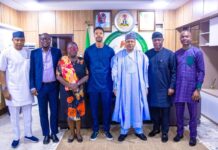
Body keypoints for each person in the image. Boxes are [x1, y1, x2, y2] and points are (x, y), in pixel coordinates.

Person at [0, 31, 39, 148]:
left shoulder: (28, 52)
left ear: (24, 40)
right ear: (12, 40)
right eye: (17, 40)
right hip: (12, 90)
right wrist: (4, 89)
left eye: (21, 40)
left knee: (28, 115)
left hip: (26, 89)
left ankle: (28, 134)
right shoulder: (6, 53)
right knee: (15, 116)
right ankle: (16, 137)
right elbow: (1, 71)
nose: (19, 42)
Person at [112, 32, 150, 142]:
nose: (130, 43)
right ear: (125, 42)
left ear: (135, 42)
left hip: (138, 86)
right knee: (125, 106)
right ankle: (124, 130)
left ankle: (139, 130)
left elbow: (145, 72)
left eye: (132, 41)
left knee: (138, 106)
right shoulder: (118, 56)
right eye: (128, 41)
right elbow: (114, 72)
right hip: (123, 87)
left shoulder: (142, 56)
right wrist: (115, 87)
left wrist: (146, 86)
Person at [173, 30, 205, 146]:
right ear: (180, 39)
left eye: (187, 36)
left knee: (193, 116)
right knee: (179, 114)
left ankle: (193, 136)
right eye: (182, 36)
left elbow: (201, 72)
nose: (184, 38)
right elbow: (174, 72)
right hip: (179, 88)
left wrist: (198, 89)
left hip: (192, 90)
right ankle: (179, 133)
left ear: (191, 38)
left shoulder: (197, 52)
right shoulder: (176, 54)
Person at [30, 33, 62, 144]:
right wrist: (32, 86)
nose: (45, 41)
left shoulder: (57, 52)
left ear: (50, 40)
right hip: (41, 87)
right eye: (43, 39)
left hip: (54, 86)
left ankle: (54, 133)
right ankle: (46, 134)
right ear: (40, 40)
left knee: (54, 111)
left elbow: (61, 68)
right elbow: (32, 71)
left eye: (47, 39)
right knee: (42, 112)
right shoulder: (34, 53)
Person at [84, 27, 115, 141]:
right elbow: (86, 66)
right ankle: (95, 129)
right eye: (96, 33)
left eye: (100, 33)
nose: (98, 35)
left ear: (103, 35)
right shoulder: (88, 50)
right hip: (93, 86)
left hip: (106, 85)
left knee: (107, 108)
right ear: (94, 35)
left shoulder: (110, 51)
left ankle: (107, 130)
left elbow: (113, 68)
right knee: (94, 109)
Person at [146, 32, 176, 143]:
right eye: (155, 40)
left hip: (165, 89)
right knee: (153, 111)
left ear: (163, 40)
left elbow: (174, 72)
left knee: (165, 112)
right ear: (152, 41)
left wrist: (172, 87)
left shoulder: (170, 54)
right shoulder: (147, 54)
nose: (157, 42)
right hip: (152, 89)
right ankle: (155, 128)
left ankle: (164, 132)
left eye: (159, 39)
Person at [56, 42, 88, 143]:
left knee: (78, 114)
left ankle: (78, 133)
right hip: (67, 92)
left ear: (77, 48)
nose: (72, 49)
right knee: (69, 114)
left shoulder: (82, 61)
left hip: (79, 92)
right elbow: (58, 76)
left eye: (74, 47)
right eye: (70, 47)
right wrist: (69, 85)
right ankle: (71, 133)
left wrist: (77, 84)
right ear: (67, 49)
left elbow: (87, 75)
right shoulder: (62, 61)